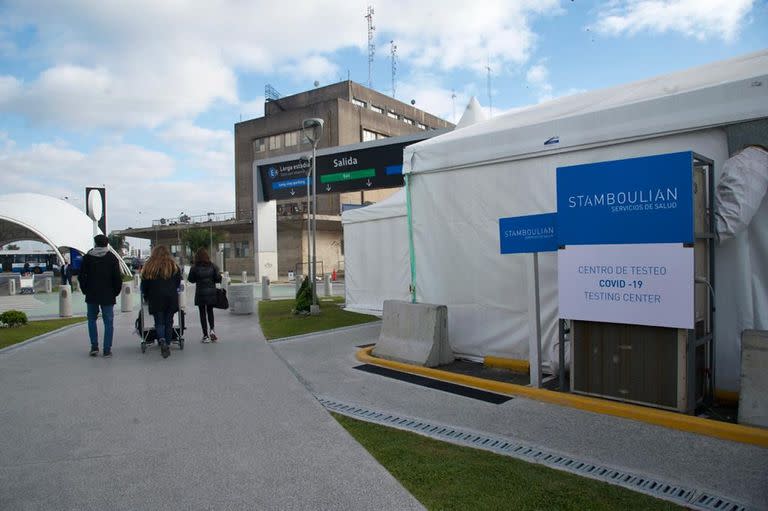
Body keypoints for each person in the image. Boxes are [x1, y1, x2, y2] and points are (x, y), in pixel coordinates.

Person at [78, 234, 123, 357]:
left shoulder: (87, 257)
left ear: (95, 243)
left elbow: (81, 276)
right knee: (108, 322)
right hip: (108, 294)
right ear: (107, 243)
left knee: (91, 320)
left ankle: (94, 347)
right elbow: (117, 279)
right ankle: (107, 349)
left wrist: (85, 290)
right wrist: (115, 292)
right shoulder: (112, 258)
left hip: (92, 294)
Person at [140, 246, 181, 359]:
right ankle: (167, 343)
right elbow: (178, 282)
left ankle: (161, 339)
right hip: (171, 297)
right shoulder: (173, 266)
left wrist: (146, 295)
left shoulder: (149, 266)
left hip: (155, 297)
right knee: (169, 321)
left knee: (159, 321)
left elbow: (144, 285)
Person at [187, 248, 222, 343]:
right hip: (211, 292)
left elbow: (191, 280)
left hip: (200, 293)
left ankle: (205, 335)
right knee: (210, 311)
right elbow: (218, 278)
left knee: (202, 313)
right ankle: (212, 330)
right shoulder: (213, 266)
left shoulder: (194, 268)